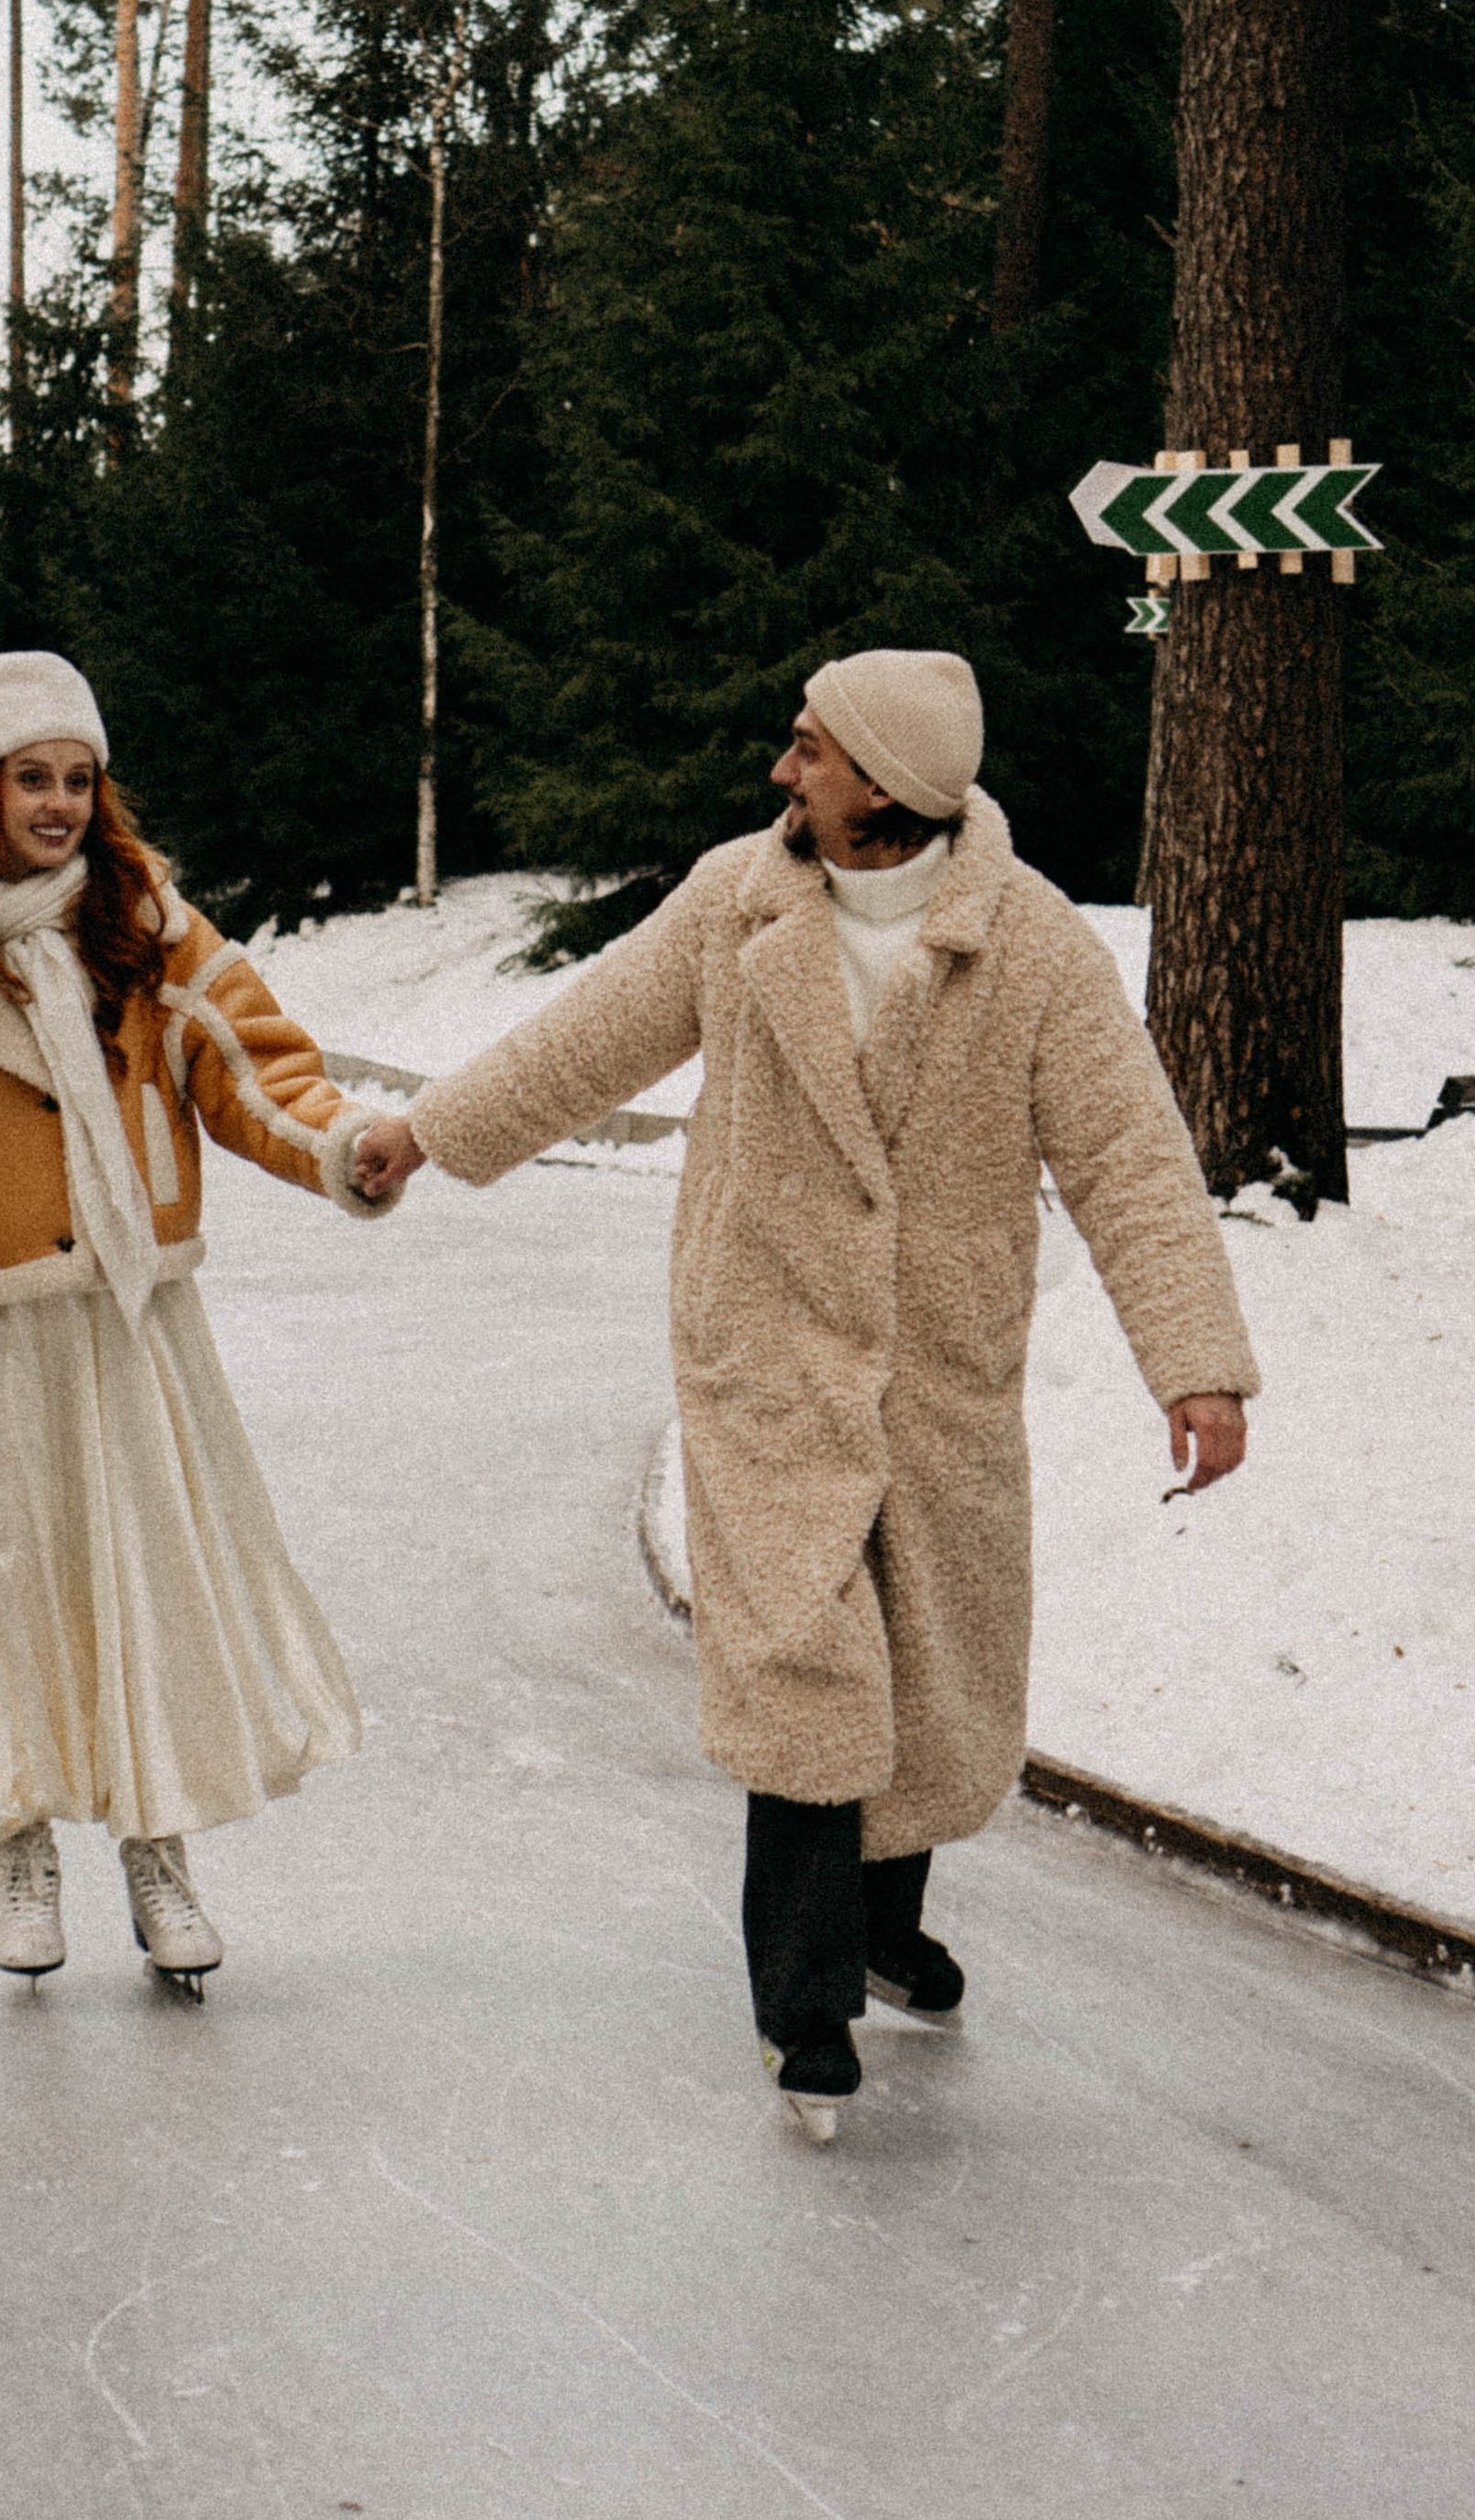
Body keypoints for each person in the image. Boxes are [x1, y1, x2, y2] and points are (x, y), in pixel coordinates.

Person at [353, 648, 1258, 2141]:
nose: (783, 771)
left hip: (938, 1371)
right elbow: (592, 1037)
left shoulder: (1029, 946)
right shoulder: (739, 901)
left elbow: (1131, 1159)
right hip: (764, 1354)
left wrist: (1200, 1365)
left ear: (889, 784)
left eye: (810, 750)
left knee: (925, 1669)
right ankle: (805, 2003)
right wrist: (430, 1134)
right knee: (805, 1671)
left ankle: (882, 1931)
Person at [0, 651, 399, 1993]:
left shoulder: (146, 920)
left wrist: (338, 1144)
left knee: (146, 1581)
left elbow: (253, 1065)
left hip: (124, 1314)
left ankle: (156, 1848)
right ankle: (20, 1846)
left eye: (80, 778)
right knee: (2, 1589)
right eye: (34, 778)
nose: (61, 804)